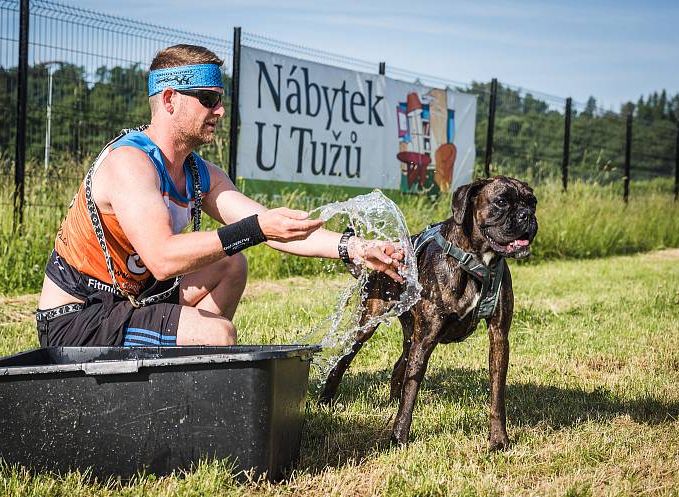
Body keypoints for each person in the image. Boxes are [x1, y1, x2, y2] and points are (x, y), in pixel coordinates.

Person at [36, 44, 404, 348]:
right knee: (218, 334)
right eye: (209, 98)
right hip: (78, 318)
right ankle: (193, 365)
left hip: (131, 299)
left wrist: (354, 247)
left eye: (221, 99)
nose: (220, 110)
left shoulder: (201, 174)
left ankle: (183, 372)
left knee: (231, 264)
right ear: (169, 99)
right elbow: (163, 258)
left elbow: (276, 227)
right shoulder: (130, 164)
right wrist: (255, 229)